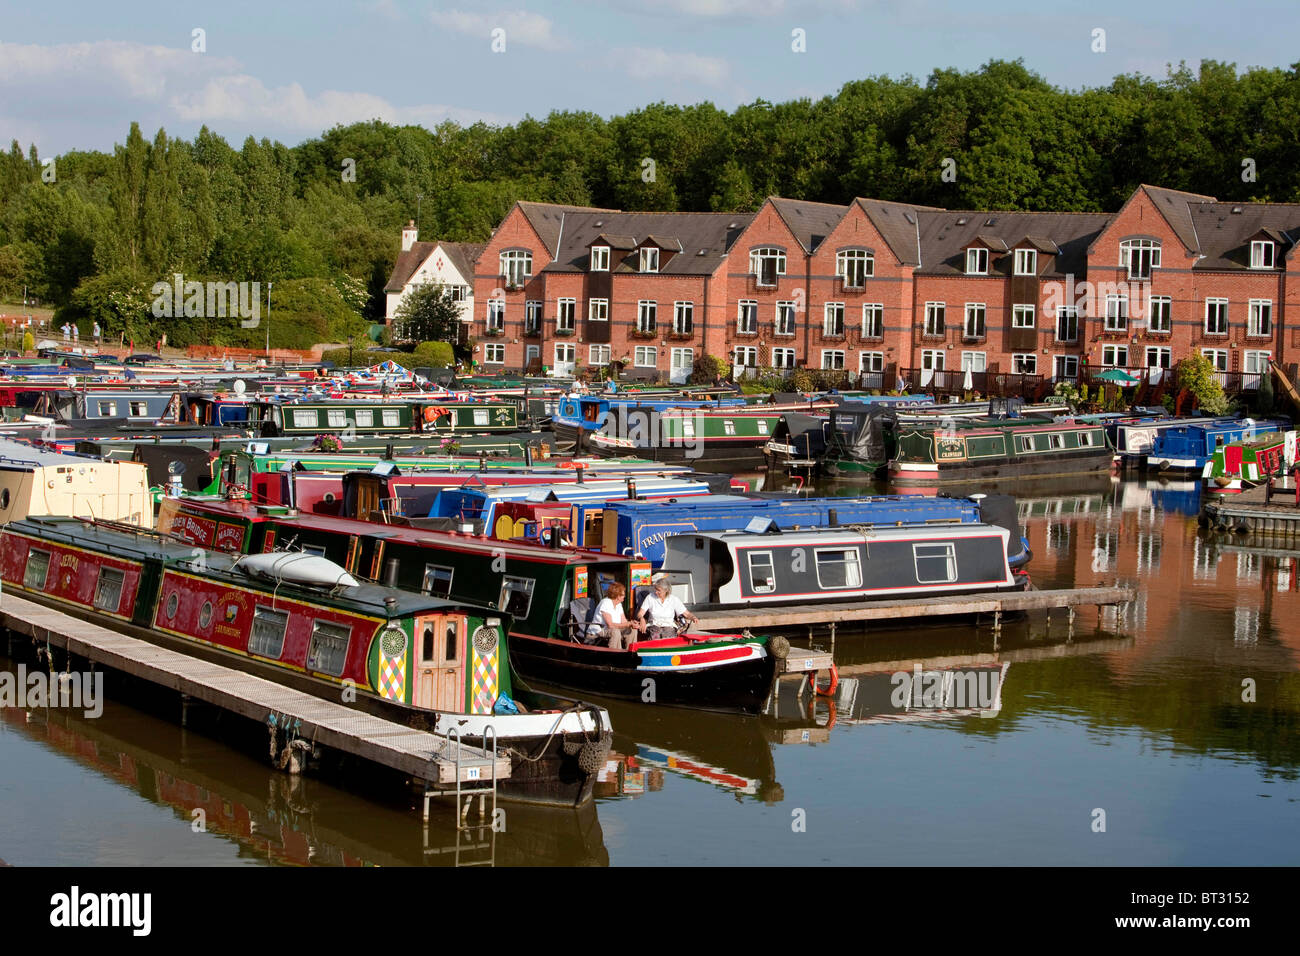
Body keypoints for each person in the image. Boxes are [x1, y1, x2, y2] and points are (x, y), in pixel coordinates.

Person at [586, 582, 643, 650]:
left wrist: (632, 624)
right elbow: (610, 625)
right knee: (615, 631)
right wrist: (628, 624)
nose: (624, 596)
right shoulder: (605, 603)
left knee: (632, 630)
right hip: (599, 630)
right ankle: (615, 655)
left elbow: (624, 621)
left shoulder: (618, 604)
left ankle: (631, 652)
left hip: (612, 629)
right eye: (623, 594)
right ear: (617, 596)